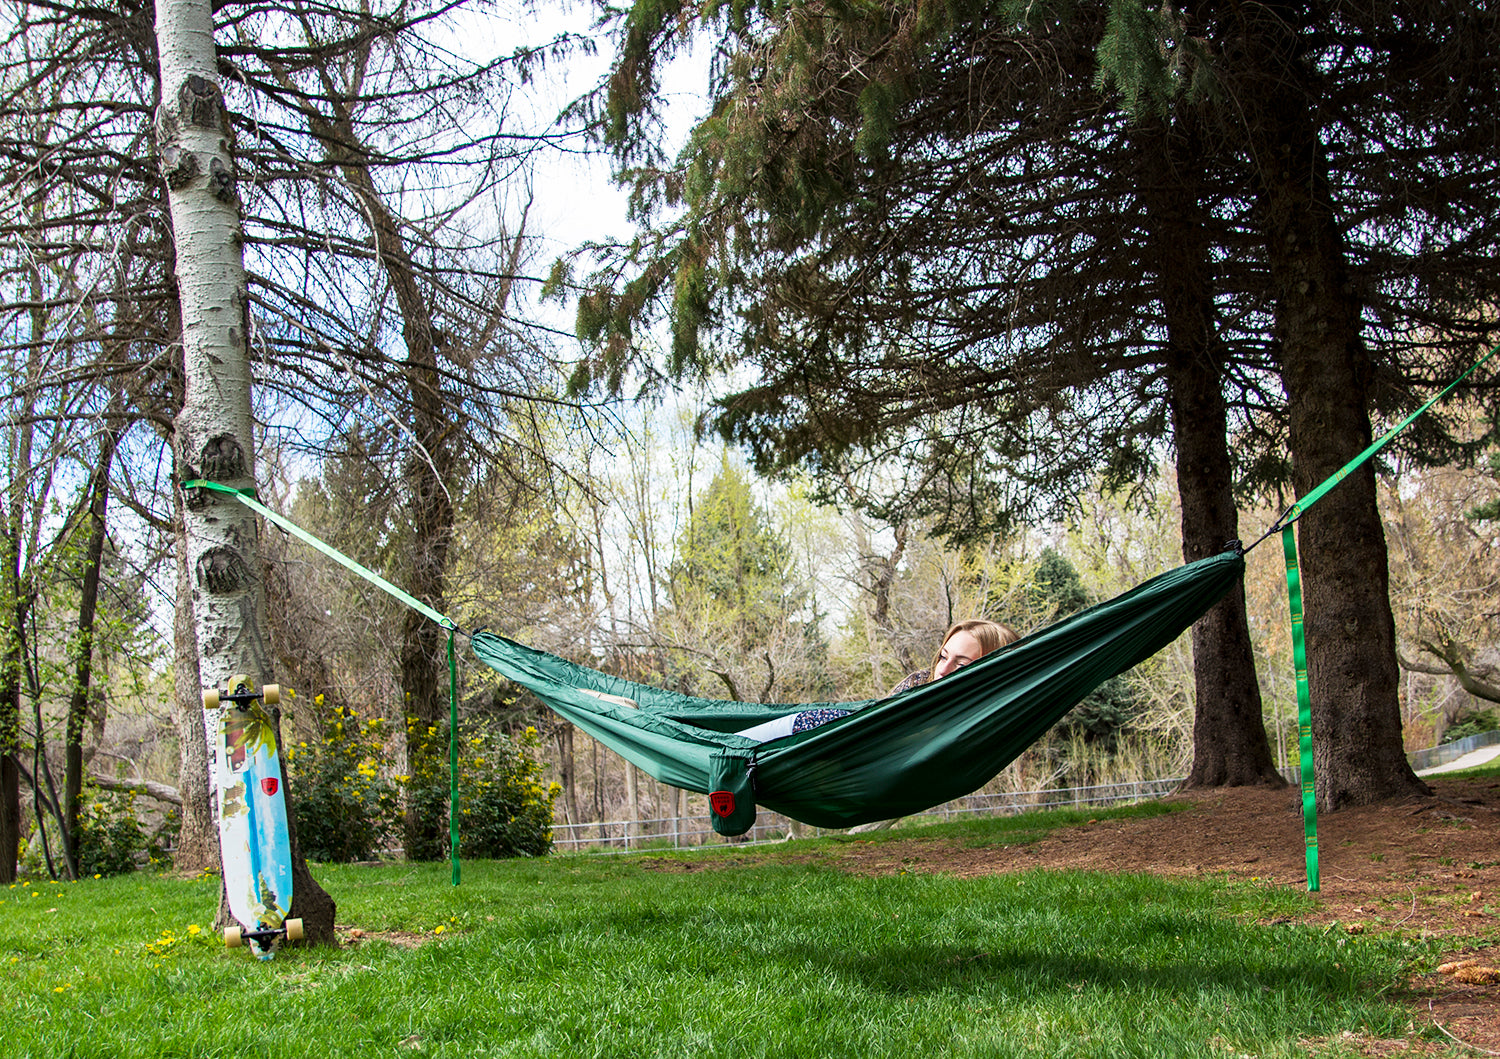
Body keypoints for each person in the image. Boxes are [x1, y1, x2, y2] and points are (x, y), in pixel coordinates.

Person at [732, 618, 1020, 743]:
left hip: (859, 747)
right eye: (943, 657)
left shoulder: (980, 713)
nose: (943, 671)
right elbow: (880, 715)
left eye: (961, 664)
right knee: (808, 718)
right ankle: (721, 749)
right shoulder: (920, 683)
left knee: (811, 720)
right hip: (850, 732)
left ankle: (723, 751)